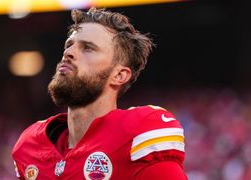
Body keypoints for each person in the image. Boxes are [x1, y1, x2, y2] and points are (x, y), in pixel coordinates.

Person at [12, 7, 187, 179]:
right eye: (69, 45)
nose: (68, 53)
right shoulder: (31, 145)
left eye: (88, 48)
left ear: (119, 75)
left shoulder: (136, 134)